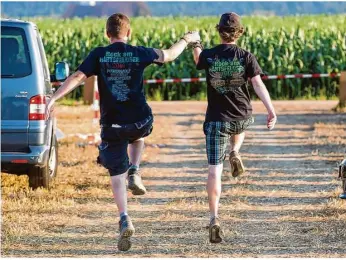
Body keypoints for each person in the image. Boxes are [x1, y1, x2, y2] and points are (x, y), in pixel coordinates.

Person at [46, 13, 200, 251]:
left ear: (107, 34)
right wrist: (187, 39)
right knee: (139, 135)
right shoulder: (140, 52)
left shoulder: (99, 54)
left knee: (116, 174)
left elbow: (77, 77)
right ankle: (136, 170)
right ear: (128, 33)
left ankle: (124, 216)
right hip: (140, 120)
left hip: (112, 126)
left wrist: (53, 98)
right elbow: (169, 55)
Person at [192, 12, 277, 243]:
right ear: (239, 33)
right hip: (240, 115)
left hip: (216, 120)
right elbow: (257, 84)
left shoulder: (209, 55)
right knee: (241, 124)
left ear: (219, 31)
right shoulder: (246, 56)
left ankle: (214, 217)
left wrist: (195, 43)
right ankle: (236, 151)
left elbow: (198, 61)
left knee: (214, 171)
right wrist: (271, 110)